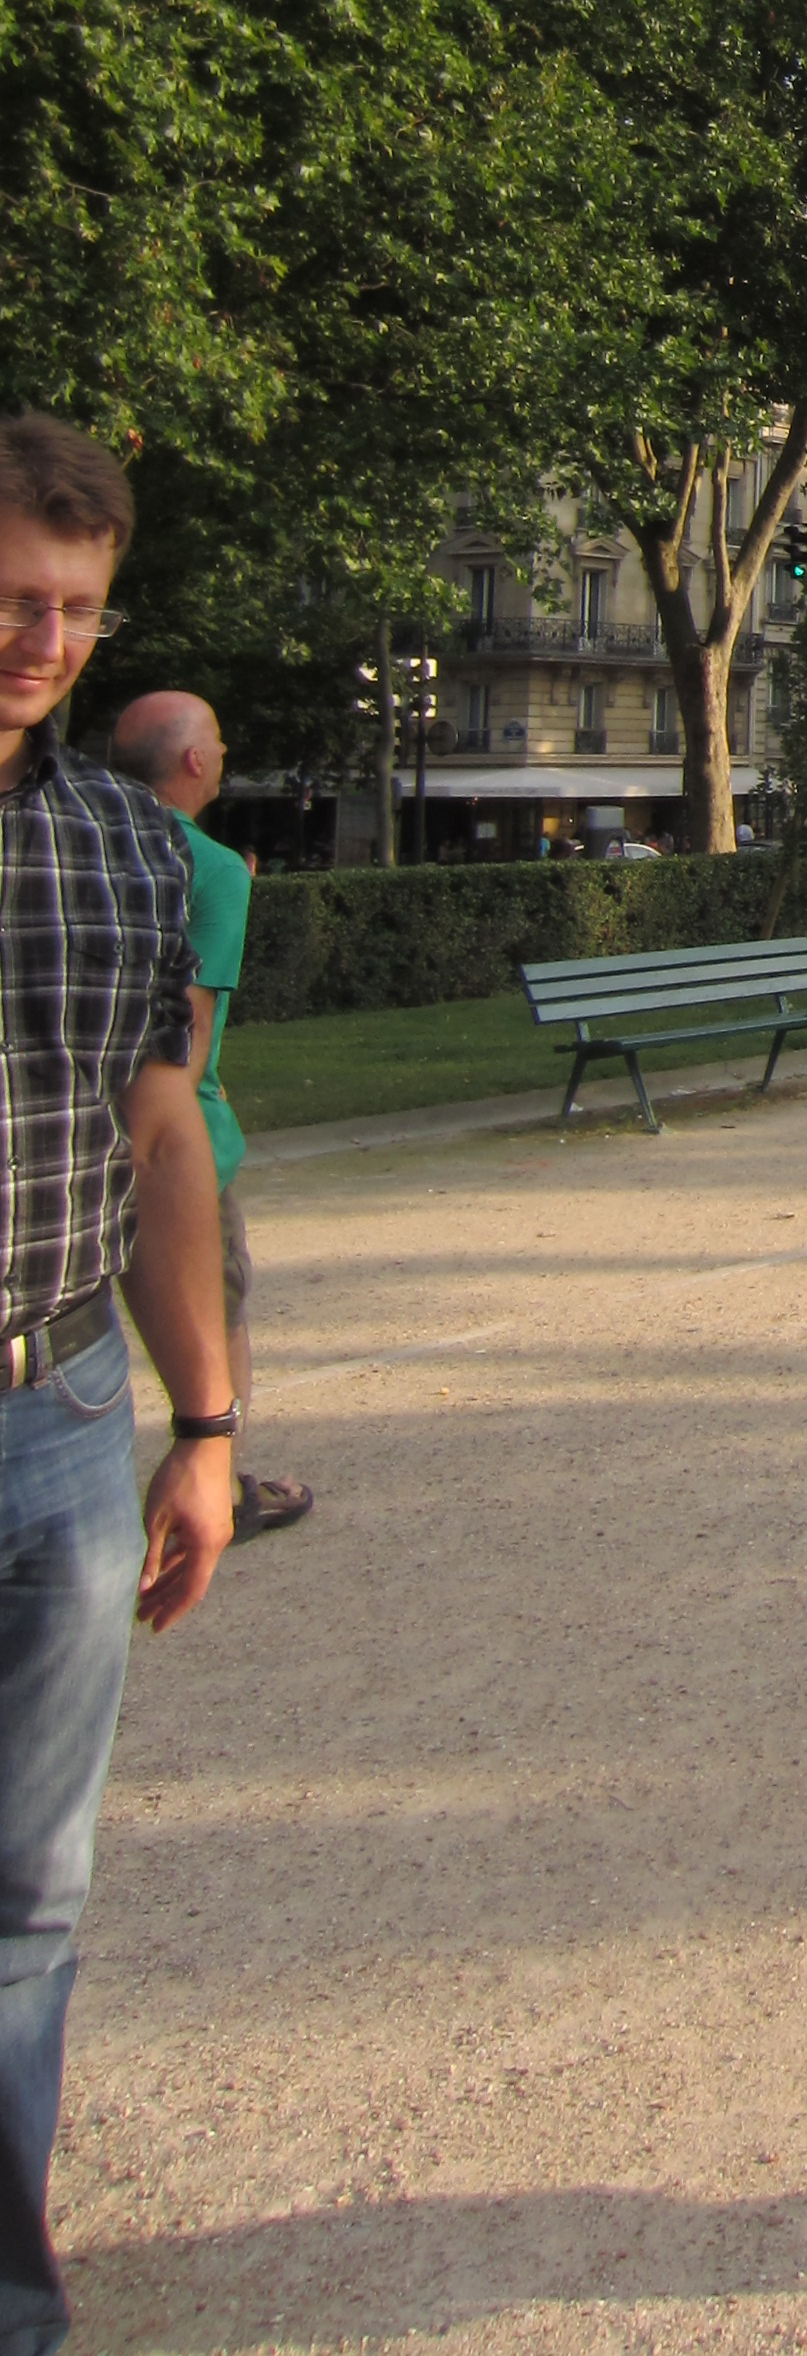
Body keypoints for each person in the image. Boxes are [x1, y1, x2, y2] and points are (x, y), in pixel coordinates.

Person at [0, 415, 234, 2356]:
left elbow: (163, 1142)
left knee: (30, 1891)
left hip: (60, 1402)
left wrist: (206, 1425)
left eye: (73, 609)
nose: (41, 641)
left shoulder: (122, 847)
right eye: (15, 599)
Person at [104, 698, 311, 1540]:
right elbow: (187, 1026)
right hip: (174, 1135)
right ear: (193, 761)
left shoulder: (80, 839)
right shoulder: (213, 867)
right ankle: (219, 1484)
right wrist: (172, 1144)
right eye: (218, 742)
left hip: (62, 1128)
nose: (223, 754)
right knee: (215, 1313)